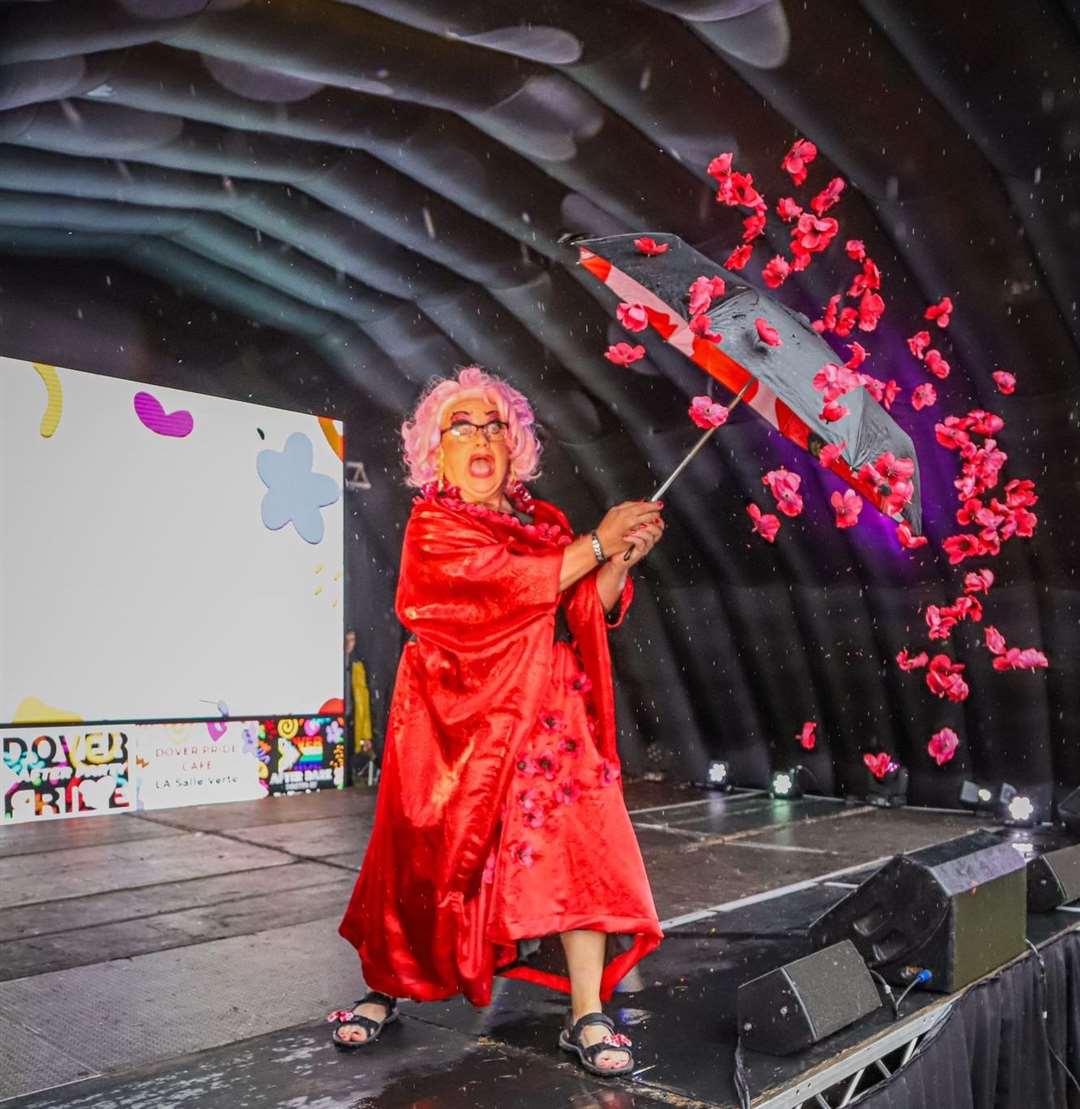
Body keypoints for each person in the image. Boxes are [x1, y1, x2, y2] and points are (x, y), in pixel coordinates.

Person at [332, 365, 665, 1076]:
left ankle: (587, 1012)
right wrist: (598, 545)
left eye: (494, 426)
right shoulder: (434, 526)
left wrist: (619, 556)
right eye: (461, 426)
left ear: (515, 447)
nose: (480, 436)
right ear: (435, 451)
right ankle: (387, 985)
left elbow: (575, 609)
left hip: (549, 720)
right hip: (455, 730)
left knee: (585, 852)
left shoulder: (545, 526)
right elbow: (498, 590)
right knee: (427, 862)